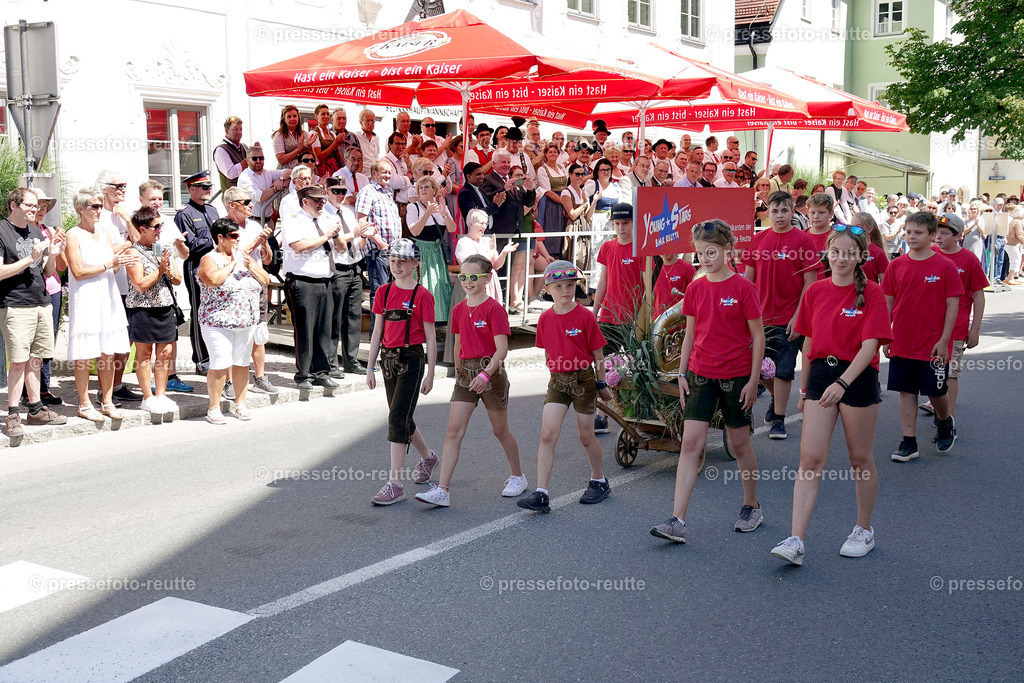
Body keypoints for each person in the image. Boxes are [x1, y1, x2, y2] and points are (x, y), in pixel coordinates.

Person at [770, 225, 893, 566]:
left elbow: (872, 346)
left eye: (848, 253)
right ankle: (796, 539)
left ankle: (863, 529)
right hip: (822, 375)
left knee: (859, 458)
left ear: (859, 257)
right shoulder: (815, 291)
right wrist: (806, 389)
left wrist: (843, 384)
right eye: (835, 252)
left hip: (858, 376)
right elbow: (808, 345)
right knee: (810, 458)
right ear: (827, 253)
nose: (841, 258)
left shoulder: (872, 293)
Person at [650, 220, 764, 544]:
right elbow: (689, 334)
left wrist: (753, 381)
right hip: (700, 374)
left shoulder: (744, 287)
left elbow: (758, 337)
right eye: (700, 253)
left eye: (711, 251)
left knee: (740, 445)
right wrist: (682, 373)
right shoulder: (696, 287)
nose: (705, 258)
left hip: (736, 377)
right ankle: (677, 520)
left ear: (727, 249)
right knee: (690, 445)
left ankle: (751, 505)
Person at [416, 255, 526, 507]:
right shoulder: (458, 309)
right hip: (466, 374)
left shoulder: (494, 309)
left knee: (500, 430)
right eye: (463, 277)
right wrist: (458, 373)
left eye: (473, 277)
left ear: (487, 278)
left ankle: (518, 476)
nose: (467, 281)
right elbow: (458, 344)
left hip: (491, 373)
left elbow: (502, 350)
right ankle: (442, 489)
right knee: (454, 431)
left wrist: (485, 374)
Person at [517, 261, 613, 513]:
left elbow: (598, 354)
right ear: (547, 289)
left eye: (570, 285)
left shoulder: (585, 316)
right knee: (547, 435)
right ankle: (542, 493)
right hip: (558, 381)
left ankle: (599, 480)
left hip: (583, 380)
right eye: (558, 286)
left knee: (585, 435)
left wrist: (601, 384)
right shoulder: (546, 318)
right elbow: (549, 349)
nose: (565, 291)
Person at [883, 211, 963, 461]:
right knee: (907, 391)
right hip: (903, 342)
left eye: (918, 232)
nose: (911, 236)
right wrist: (886, 334)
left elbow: (953, 305)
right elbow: (888, 302)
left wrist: (944, 340)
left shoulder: (945, 266)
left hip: (933, 345)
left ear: (932, 235)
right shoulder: (896, 265)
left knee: (936, 392)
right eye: (908, 232)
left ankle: (944, 421)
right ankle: (909, 441)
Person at [365, 239, 438, 506]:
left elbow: (430, 336)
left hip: (412, 359)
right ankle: (428, 457)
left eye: (403, 261)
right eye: (393, 261)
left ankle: (395, 483)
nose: (397, 266)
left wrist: (431, 373)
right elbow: (376, 333)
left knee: (397, 418)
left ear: (416, 264)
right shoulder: (382, 292)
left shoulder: (423, 296)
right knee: (402, 416)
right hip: (388, 359)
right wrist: (370, 367)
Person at [743, 191, 819, 440]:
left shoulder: (804, 241)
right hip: (761, 319)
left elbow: (810, 284)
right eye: (774, 211)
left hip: (789, 318)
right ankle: (778, 398)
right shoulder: (758, 240)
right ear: (768, 212)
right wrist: (744, 315)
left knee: (784, 370)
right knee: (761, 370)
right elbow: (747, 281)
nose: (779, 215)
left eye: (784, 210)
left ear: (792, 211)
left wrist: (799, 316)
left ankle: (779, 418)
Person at [0, 188, 68, 435]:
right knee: (18, 362)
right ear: (13, 205)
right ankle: (12, 414)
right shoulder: (2, 231)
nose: (35, 209)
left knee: (36, 359)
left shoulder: (37, 231)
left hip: (41, 302)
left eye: (36, 205)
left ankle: (36, 409)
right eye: (29, 205)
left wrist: (54, 255)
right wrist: (30, 258)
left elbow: (48, 272)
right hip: (15, 305)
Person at [65, 187, 133, 422]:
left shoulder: (103, 231)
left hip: (108, 295)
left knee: (108, 350)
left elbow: (111, 265)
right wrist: (108, 264)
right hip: (86, 297)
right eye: (94, 206)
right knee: (84, 352)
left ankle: (107, 401)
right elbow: (77, 271)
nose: (99, 211)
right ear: (80, 209)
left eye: (100, 206)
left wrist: (117, 263)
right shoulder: (73, 234)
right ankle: (84, 404)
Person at [197, 218, 269, 424]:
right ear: (220, 238)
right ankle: (214, 408)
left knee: (241, 363)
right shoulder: (208, 259)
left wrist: (251, 265)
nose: (238, 240)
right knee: (220, 363)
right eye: (234, 236)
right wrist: (232, 264)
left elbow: (264, 280)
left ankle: (240, 404)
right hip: (217, 322)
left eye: (239, 236)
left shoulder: (243, 257)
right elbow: (213, 280)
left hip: (245, 322)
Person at [921, 213, 986, 418]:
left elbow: (978, 294)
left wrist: (974, 329)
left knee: (950, 372)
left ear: (959, 236)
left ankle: (947, 417)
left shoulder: (968, 259)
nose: (938, 237)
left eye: (945, 233)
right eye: (936, 233)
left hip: (956, 327)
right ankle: (937, 402)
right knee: (931, 368)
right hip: (929, 326)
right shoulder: (929, 253)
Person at [281, 185, 343, 390]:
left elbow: (340, 246)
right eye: (317, 201)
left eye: (323, 200)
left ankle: (321, 372)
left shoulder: (324, 219)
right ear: (304, 201)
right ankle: (304, 374)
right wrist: (326, 236)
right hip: (303, 281)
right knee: (305, 330)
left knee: (324, 330)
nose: (321, 204)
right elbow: (298, 246)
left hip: (325, 279)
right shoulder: (294, 219)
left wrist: (337, 235)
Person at [592, 202, 644, 434]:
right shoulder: (608, 247)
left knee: (636, 366)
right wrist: (595, 310)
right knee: (604, 365)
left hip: (633, 319)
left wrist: (644, 316)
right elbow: (603, 281)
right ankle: (602, 414)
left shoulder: (640, 249)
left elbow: (646, 285)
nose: (621, 228)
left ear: (633, 223)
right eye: (617, 223)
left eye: (626, 223)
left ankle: (638, 409)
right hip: (609, 316)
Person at [126, 207, 181, 415]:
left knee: (165, 352)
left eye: (161, 226)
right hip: (143, 308)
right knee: (145, 353)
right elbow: (140, 284)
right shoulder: (133, 252)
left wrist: (168, 267)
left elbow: (177, 279)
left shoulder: (161, 248)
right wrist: (160, 270)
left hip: (165, 306)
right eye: (156, 227)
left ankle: (161, 394)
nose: (160, 230)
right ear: (143, 229)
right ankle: (147, 397)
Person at [224, 186, 277, 394]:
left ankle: (260, 377)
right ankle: (228, 382)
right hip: (234, 287)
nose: (250, 205)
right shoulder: (223, 227)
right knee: (231, 333)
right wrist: (257, 241)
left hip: (255, 285)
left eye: (250, 201)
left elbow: (267, 259)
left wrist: (264, 247)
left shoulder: (255, 226)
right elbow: (234, 255)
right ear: (231, 205)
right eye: (245, 202)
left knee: (259, 332)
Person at [95, 170, 140, 402]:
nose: (123, 189)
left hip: (128, 284)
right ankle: (104, 389)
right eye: (118, 185)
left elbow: (138, 239)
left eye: (125, 185)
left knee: (126, 339)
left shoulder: (123, 214)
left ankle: (118, 383)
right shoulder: (98, 216)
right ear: (105, 189)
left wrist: (127, 219)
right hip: (106, 284)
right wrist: (124, 246)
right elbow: (104, 252)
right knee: (107, 340)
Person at [174, 171, 219, 374]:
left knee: (214, 310)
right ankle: (201, 358)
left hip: (215, 265)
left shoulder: (212, 210)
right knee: (199, 310)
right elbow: (191, 245)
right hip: (196, 267)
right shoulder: (184, 214)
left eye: (209, 187)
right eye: (204, 187)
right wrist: (215, 240)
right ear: (191, 189)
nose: (208, 190)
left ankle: (216, 354)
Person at [323, 177, 368, 375]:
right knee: (334, 317)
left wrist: (364, 235)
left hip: (353, 266)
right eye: (336, 191)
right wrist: (356, 233)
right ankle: (331, 363)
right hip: (337, 268)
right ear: (327, 191)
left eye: (343, 191)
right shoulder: (324, 214)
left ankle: (351, 359)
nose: (340, 195)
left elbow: (358, 244)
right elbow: (337, 244)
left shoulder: (348, 213)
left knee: (353, 317)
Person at [482, 150, 536, 312]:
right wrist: (503, 190)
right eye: (502, 162)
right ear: (494, 164)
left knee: (513, 267)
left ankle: (510, 302)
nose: (506, 165)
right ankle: (498, 303)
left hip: (516, 230)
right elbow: (488, 198)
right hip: (500, 231)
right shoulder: (489, 179)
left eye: (508, 162)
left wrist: (531, 190)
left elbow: (527, 202)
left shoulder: (513, 180)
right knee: (500, 267)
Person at [26, 188, 64, 406]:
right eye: (37, 205)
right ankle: (28, 390)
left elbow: (60, 267)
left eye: (45, 206)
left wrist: (60, 248)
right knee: (30, 344)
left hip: (53, 289)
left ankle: (44, 388)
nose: (41, 210)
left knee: (48, 342)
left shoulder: (48, 230)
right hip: (32, 291)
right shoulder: (21, 232)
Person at [356, 159, 402, 326]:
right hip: (377, 250)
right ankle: (377, 336)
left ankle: (389, 333)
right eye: (383, 172)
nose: (387, 175)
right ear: (373, 174)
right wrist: (379, 242)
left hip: (392, 251)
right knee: (380, 294)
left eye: (389, 172)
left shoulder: (388, 193)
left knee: (391, 294)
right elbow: (362, 222)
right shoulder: (368, 191)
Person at [406, 176, 456, 324]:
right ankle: (418, 322)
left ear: (434, 190)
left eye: (426, 187)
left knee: (438, 286)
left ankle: (436, 322)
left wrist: (443, 213)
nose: (423, 190)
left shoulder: (442, 206)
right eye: (420, 187)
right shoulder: (413, 207)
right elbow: (414, 231)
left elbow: (452, 229)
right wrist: (427, 213)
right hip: (421, 252)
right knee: (422, 286)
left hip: (436, 251)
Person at [456, 209, 516, 302]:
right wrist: (491, 251)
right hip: (472, 284)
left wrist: (504, 253)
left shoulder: (487, 241)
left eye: (486, 223)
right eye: (481, 223)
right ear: (471, 224)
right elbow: (474, 267)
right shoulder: (463, 242)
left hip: (490, 282)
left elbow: (496, 266)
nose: (484, 227)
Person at [238, 143, 289, 225]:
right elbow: (260, 197)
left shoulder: (267, 172)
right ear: (247, 161)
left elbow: (291, 171)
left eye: (261, 158)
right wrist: (276, 187)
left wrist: (281, 179)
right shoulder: (245, 177)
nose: (258, 161)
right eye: (254, 158)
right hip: (252, 222)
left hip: (268, 221)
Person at [536, 142, 568, 257]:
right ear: (545, 154)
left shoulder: (562, 167)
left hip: (563, 201)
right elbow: (548, 192)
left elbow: (566, 186)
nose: (553, 154)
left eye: (555, 151)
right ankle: (549, 259)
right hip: (551, 204)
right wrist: (565, 203)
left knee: (563, 234)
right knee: (552, 233)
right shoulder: (542, 169)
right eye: (550, 152)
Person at [653, 249, 696, 318]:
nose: (664, 250)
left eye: (668, 246)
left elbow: (695, 297)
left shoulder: (688, 268)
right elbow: (652, 297)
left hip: (680, 322)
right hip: (658, 321)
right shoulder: (654, 270)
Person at [849, 212, 890, 284]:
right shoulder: (846, 249)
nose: (854, 230)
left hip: (869, 293)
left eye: (858, 226)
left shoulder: (877, 252)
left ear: (869, 229)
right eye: (852, 226)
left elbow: (884, 282)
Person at [213, 115, 249, 192]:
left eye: (240, 129)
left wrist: (256, 152)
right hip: (232, 196)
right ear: (226, 131)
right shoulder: (221, 149)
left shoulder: (244, 147)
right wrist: (245, 163)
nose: (239, 132)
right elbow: (230, 173)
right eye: (235, 129)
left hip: (246, 193)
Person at [272, 105, 311, 170]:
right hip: (286, 172)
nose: (292, 119)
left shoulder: (304, 134)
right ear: (284, 119)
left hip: (303, 171)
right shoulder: (279, 135)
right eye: (289, 117)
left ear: (298, 118)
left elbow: (309, 155)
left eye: (294, 116)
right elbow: (281, 160)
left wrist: (309, 147)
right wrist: (298, 150)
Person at [310, 104, 343, 178]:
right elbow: (319, 157)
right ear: (316, 117)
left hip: (334, 167)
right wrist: (335, 143)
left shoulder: (332, 134)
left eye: (328, 114)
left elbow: (339, 159)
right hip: (322, 169)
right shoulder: (314, 134)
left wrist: (337, 148)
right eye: (323, 114)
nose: (326, 116)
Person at [805, 193, 835, 275]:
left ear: (831, 213)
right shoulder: (800, 236)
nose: (816, 216)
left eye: (821, 212)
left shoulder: (838, 237)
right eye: (812, 212)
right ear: (807, 213)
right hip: (807, 286)